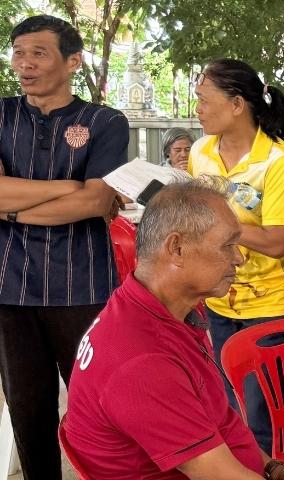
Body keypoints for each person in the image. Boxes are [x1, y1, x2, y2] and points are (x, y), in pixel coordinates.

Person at [63, 180, 284, 480]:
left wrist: (274, 469)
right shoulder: (143, 360)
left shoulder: (154, 309)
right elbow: (219, 474)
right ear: (177, 248)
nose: (239, 258)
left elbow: (218, 418)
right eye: (228, 245)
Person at [0, 15, 128, 479]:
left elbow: (96, 201)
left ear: (73, 61)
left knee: (100, 405)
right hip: (9, 290)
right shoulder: (1, 114)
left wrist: (12, 204)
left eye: (38, 53)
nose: (24, 64)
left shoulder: (105, 121)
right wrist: (65, 187)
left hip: (84, 286)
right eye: (17, 53)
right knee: (28, 412)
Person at [186, 58, 284, 453]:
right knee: (229, 406)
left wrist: (223, 226)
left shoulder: (280, 161)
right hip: (222, 297)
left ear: (237, 104)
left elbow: (278, 242)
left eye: (205, 100)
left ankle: (267, 469)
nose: (198, 110)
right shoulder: (200, 152)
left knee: (263, 414)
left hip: (274, 303)